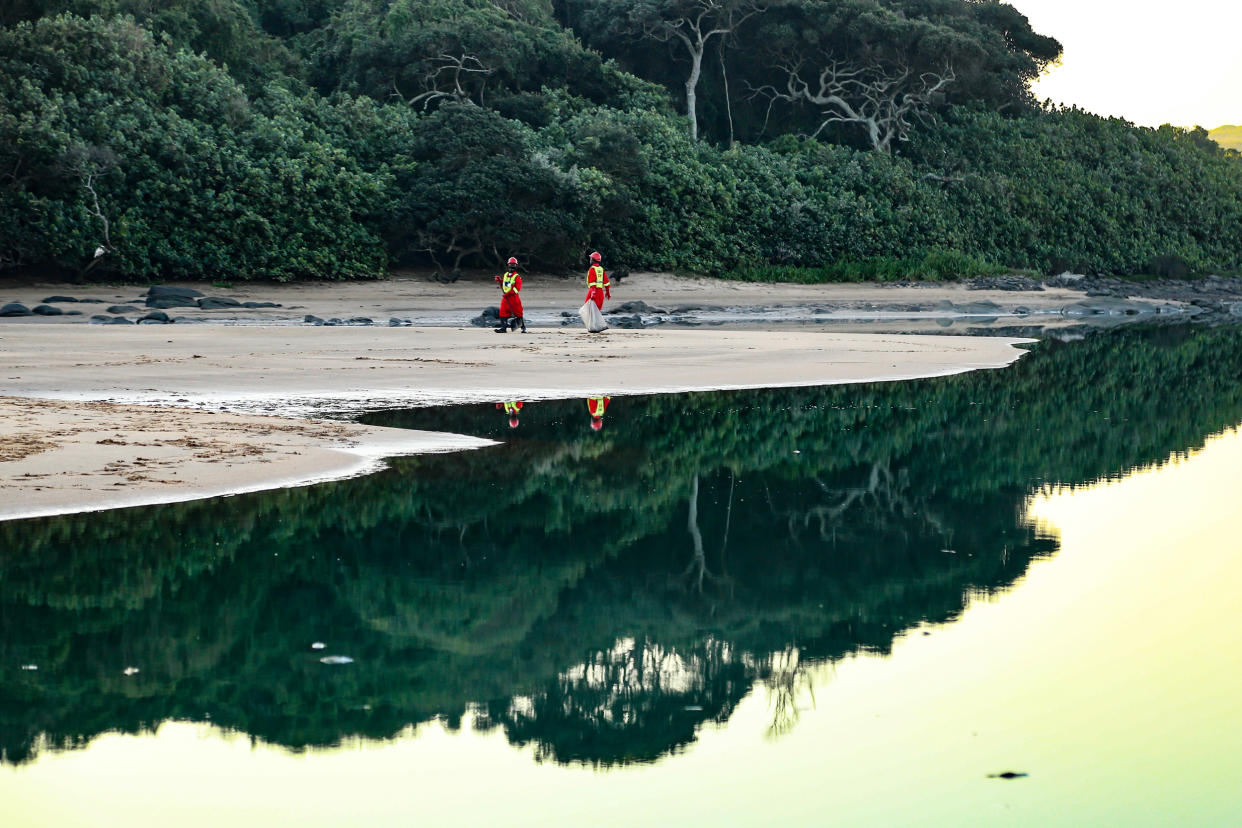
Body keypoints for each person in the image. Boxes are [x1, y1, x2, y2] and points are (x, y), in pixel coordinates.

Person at [494, 257, 525, 333]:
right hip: (506, 298)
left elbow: (517, 289)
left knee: (518, 313)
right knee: (503, 313)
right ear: (508, 265)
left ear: (516, 266)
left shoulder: (517, 277)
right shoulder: (505, 275)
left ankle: (523, 328)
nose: (512, 266)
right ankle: (503, 328)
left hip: (513, 298)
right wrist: (499, 281)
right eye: (511, 264)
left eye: (513, 264)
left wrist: (509, 294)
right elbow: (504, 285)